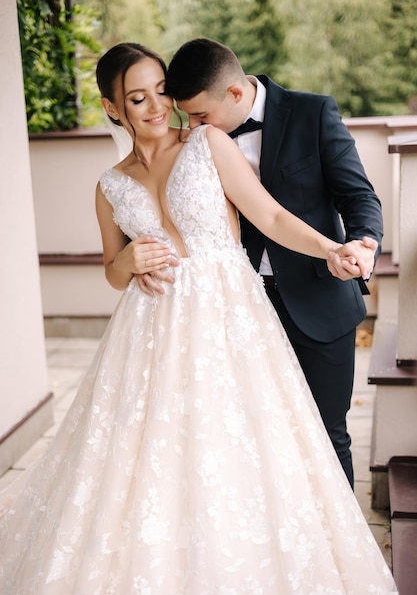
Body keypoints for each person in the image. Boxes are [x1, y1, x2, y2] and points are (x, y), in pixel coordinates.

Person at [0, 43, 396, 594]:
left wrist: (331, 248)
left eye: (162, 91)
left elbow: (271, 214)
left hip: (230, 317)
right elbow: (113, 272)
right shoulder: (109, 184)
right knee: (155, 456)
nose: (158, 106)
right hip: (151, 328)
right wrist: (126, 261)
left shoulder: (208, 143)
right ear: (113, 108)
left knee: (245, 444)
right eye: (138, 98)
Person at [150, 37, 385, 489]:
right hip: (237, 311)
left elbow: (357, 195)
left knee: (326, 434)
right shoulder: (194, 142)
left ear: (235, 94)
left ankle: (340, 555)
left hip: (319, 299)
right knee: (251, 439)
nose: (194, 126)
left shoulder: (313, 113)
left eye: (201, 115)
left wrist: (363, 243)